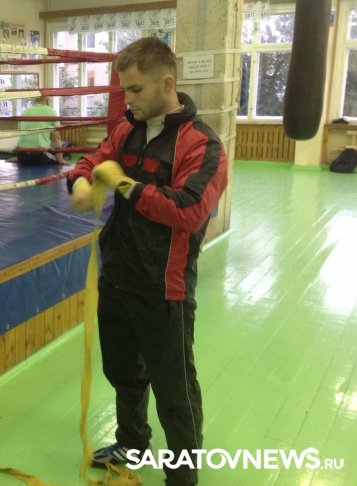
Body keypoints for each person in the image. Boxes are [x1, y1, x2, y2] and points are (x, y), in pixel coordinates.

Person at [67, 37, 228, 485]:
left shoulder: (202, 145)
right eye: (124, 90)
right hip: (117, 276)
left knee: (174, 389)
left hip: (164, 287)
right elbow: (94, 159)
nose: (128, 100)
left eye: (136, 90)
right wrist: (80, 183)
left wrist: (125, 186)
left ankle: (182, 474)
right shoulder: (127, 129)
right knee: (123, 373)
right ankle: (133, 444)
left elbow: (189, 210)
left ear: (167, 84)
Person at [12, 96, 69, 166]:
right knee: (59, 158)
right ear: (48, 101)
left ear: (35, 101)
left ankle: (18, 158)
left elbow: (22, 135)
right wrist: (60, 159)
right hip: (39, 155)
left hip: (21, 156)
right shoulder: (51, 112)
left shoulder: (24, 113)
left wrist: (19, 157)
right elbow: (56, 137)